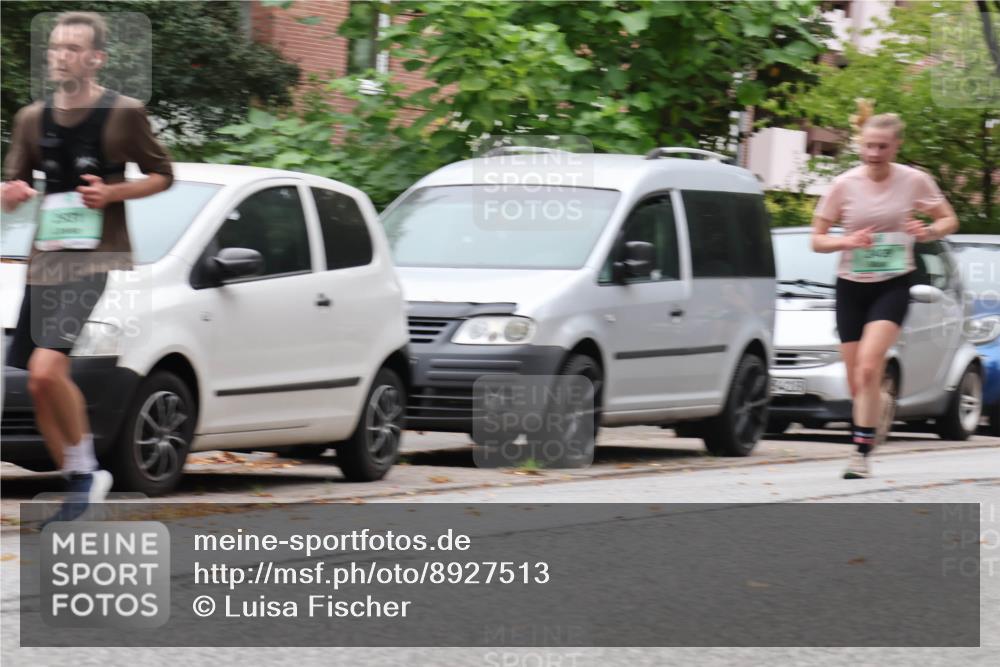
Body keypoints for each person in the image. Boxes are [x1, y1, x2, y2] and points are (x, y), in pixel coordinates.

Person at [1, 12, 173, 520]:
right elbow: (13, 186)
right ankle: (80, 479)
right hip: (45, 261)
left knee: (48, 366)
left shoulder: (123, 114)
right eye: (55, 48)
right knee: (37, 381)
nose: (61, 56)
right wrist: (12, 193)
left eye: (73, 48)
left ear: (97, 58)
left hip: (95, 258)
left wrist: (113, 192)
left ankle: (89, 472)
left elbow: (163, 174)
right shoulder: (32, 119)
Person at [810, 112, 958, 479]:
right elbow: (817, 239)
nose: (874, 153)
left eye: (882, 146)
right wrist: (847, 240)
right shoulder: (844, 184)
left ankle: (860, 453)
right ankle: (877, 403)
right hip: (851, 285)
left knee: (869, 365)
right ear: (860, 145)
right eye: (868, 146)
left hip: (893, 283)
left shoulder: (913, 180)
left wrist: (926, 232)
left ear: (896, 147)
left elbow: (948, 220)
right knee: (857, 380)